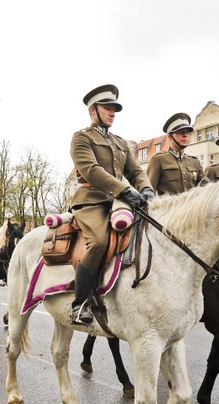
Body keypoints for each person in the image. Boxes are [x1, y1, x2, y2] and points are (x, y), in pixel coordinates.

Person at [68, 84, 154, 326]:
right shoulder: (82, 137)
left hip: (119, 202)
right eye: (107, 108)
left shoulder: (120, 142)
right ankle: (80, 303)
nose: (113, 112)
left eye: (115, 108)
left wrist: (146, 189)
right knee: (100, 241)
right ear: (92, 110)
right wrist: (125, 190)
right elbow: (91, 170)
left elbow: (136, 171)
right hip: (91, 201)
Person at [147, 112, 207, 195]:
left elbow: (207, 188)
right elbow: (149, 191)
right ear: (169, 137)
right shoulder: (158, 160)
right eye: (180, 132)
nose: (185, 135)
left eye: (187, 132)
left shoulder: (195, 162)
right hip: (168, 207)